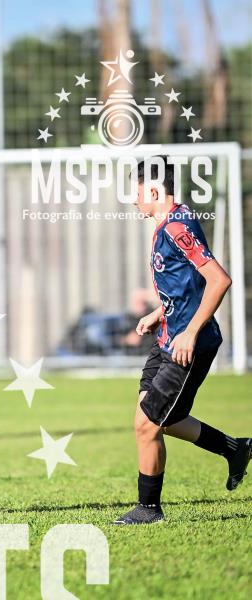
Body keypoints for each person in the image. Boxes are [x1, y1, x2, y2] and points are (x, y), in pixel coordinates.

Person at [114, 157, 251, 525]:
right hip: (167, 338)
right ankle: (235, 449)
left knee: (148, 424)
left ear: (154, 190)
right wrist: (159, 312)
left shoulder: (177, 227)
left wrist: (189, 332)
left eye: (137, 191)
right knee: (159, 417)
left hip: (188, 344)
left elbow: (218, 280)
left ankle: (149, 509)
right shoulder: (168, 224)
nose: (134, 198)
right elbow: (187, 284)